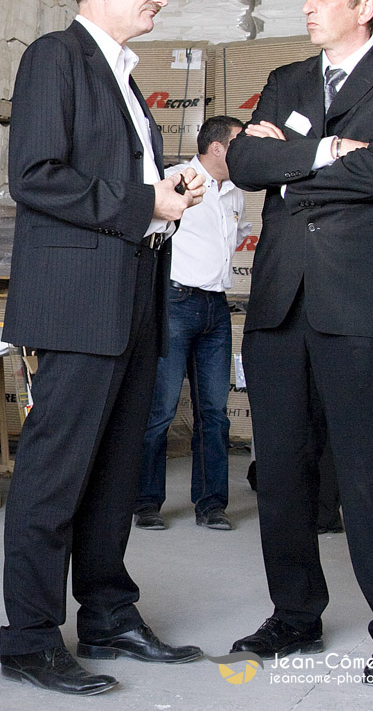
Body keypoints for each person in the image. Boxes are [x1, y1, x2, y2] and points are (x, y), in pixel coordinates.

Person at [225, 0, 373, 688]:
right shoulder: (287, 80)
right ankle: (294, 614)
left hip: (360, 302)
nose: (308, 4)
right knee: (282, 471)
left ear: (365, 6)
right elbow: (244, 164)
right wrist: (329, 154)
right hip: (282, 301)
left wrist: (293, 166)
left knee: (371, 469)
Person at [0, 0, 206, 697]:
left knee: (117, 471)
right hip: (79, 301)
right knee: (54, 475)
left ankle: (109, 613)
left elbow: (114, 182)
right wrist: (144, 200)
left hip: (134, 293)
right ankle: (28, 637)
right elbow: (35, 175)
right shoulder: (56, 57)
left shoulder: (123, 78)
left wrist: (169, 193)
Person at [134, 116, 250, 532]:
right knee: (161, 410)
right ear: (217, 148)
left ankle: (211, 504)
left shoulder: (236, 193)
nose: (247, 153)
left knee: (215, 413)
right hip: (176, 303)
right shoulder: (177, 180)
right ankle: (146, 502)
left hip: (216, 308)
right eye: (240, 144)